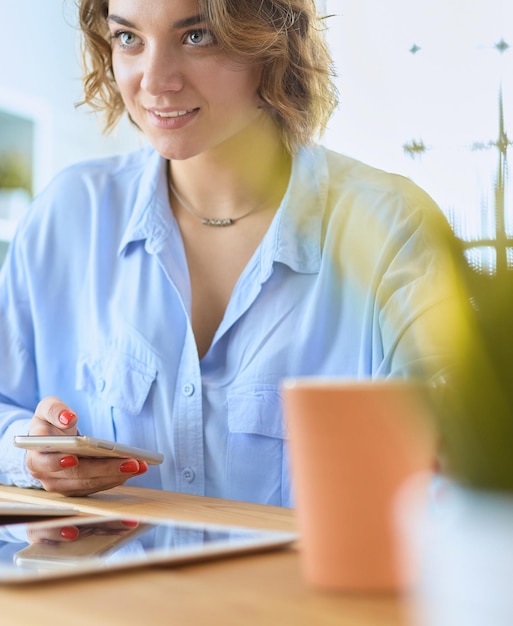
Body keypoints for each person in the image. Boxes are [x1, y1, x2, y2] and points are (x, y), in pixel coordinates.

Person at [0, 0, 464, 505]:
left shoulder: (394, 227)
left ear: (273, 42)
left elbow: (452, 478)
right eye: (129, 38)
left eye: (196, 36)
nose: (155, 81)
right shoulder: (66, 216)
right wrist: (28, 451)